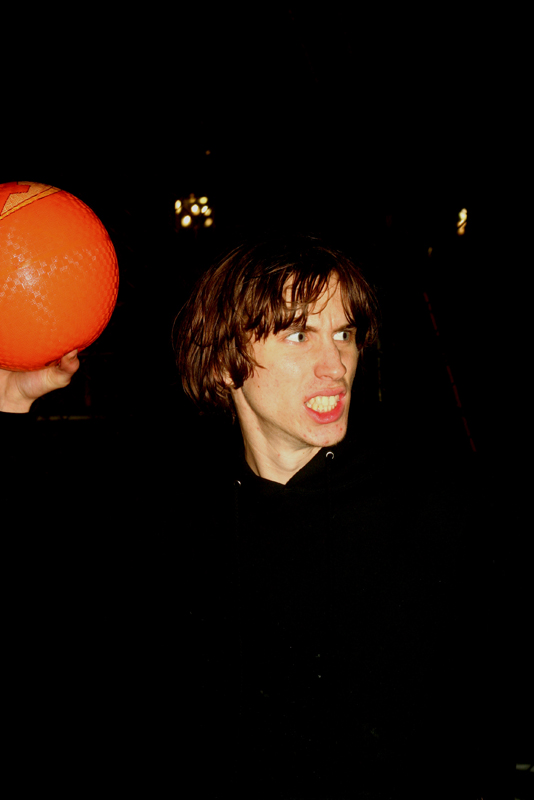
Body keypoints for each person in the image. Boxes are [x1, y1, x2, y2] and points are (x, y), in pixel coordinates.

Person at [174, 233, 498, 799]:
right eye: (300, 334)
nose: (336, 365)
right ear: (227, 362)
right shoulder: (186, 528)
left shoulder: (431, 507)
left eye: (344, 334)